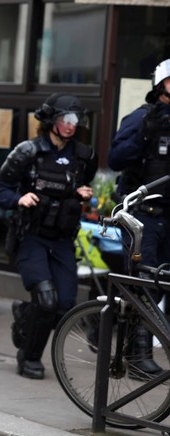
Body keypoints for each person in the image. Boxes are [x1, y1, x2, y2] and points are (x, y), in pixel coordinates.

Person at [0, 93, 96, 379]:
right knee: (46, 299)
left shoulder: (84, 156)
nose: (71, 125)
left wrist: (81, 193)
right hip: (31, 236)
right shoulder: (28, 152)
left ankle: (26, 316)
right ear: (51, 120)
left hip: (62, 238)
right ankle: (29, 357)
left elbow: (79, 185)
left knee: (63, 306)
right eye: (65, 119)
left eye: (75, 120)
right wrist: (18, 198)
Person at [107, 58, 170, 378]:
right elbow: (115, 158)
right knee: (146, 284)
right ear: (161, 85)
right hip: (144, 216)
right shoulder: (142, 118)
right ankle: (138, 357)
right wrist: (144, 134)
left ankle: (102, 320)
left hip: (169, 217)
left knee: (161, 284)